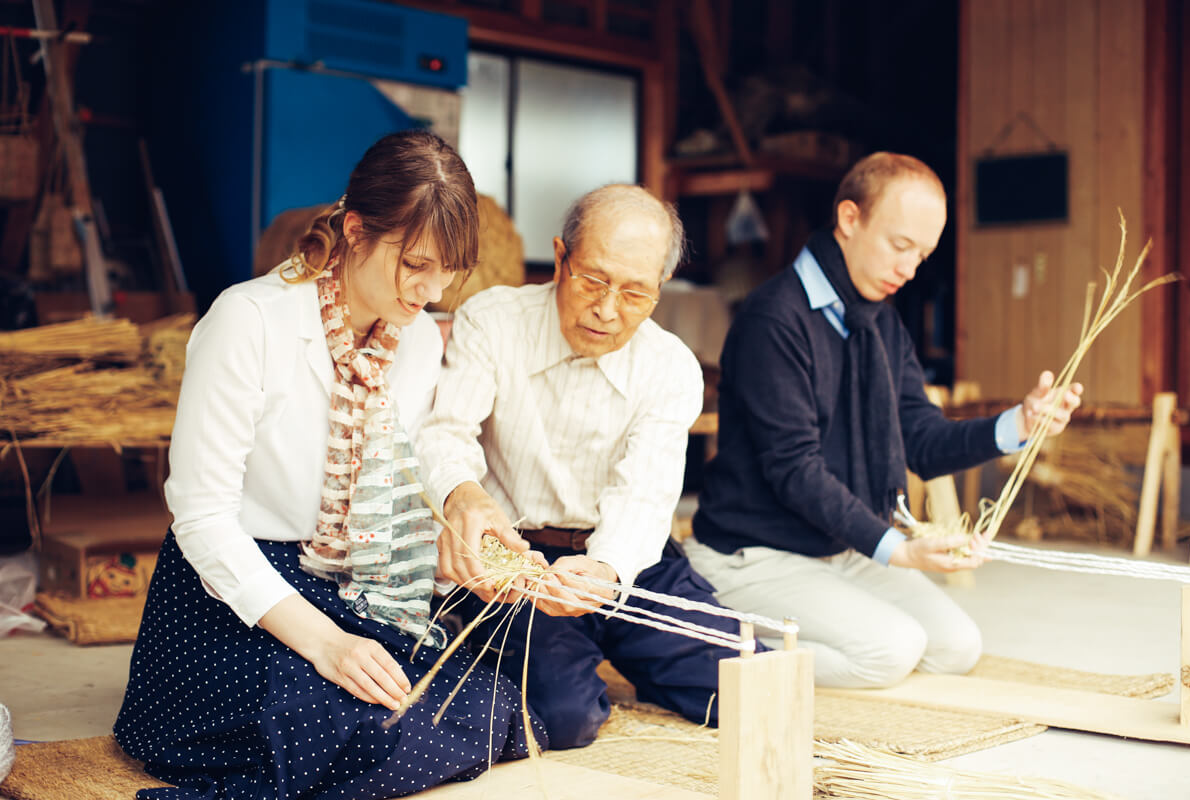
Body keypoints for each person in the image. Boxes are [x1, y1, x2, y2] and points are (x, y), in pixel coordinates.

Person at [114, 130, 544, 800]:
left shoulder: (420, 340)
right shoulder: (248, 320)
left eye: (447, 272)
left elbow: (399, 479)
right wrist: (327, 644)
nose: (430, 291)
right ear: (354, 230)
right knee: (339, 720)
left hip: (339, 582)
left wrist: (462, 543)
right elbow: (201, 518)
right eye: (415, 265)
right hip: (236, 589)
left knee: (487, 699)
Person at [684, 152, 1083, 689]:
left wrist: (1021, 423)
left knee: (955, 647)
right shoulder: (773, 318)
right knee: (891, 651)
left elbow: (920, 439)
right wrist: (897, 549)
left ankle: (808, 642)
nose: (910, 268)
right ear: (849, 219)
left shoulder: (878, 320)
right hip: (753, 555)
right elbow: (794, 469)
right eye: (900, 246)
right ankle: (703, 646)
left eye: (923, 254)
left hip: (835, 547)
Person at [417, 184, 747, 750]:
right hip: (522, 562)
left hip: (627, 559)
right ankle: (492, 645)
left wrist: (605, 572)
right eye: (593, 280)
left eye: (635, 293)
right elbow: (445, 431)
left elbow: (645, 494)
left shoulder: (670, 366)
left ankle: (620, 648)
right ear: (560, 257)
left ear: (660, 288)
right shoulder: (493, 320)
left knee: (748, 686)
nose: (607, 309)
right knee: (568, 719)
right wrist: (464, 496)